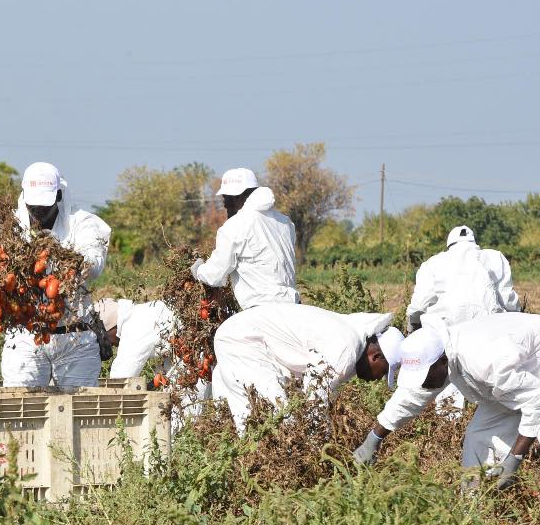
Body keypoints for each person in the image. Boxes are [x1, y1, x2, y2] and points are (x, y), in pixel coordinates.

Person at [354, 314, 540, 525]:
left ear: (441, 362)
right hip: (516, 370)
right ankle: (471, 514)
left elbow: (537, 400)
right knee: (477, 435)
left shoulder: (484, 362)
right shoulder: (438, 353)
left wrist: (514, 459)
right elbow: (412, 397)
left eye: (425, 377)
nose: (425, 384)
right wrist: (373, 438)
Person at [0, 162, 111, 387]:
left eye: (44, 206)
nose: (38, 211)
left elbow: (94, 264)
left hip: (75, 337)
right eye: (33, 205)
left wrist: (65, 258)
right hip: (26, 338)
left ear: (58, 196)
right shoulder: (5, 229)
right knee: (22, 411)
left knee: (81, 412)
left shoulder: (81, 224)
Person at [211, 304, 403, 432]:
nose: (378, 379)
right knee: (278, 417)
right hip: (242, 340)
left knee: (254, 424)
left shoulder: (353, 343)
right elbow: (315, 403)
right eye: (384, 371)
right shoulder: (346, 349)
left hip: (251, 341)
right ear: (376, 356)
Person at [404, 225, 521, 413]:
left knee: (449, 385)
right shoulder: (495, 258)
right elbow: (508, 299)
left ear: (449, 245)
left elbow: (418, 305)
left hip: (446, 333)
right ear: (474, 242)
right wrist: (518, 319)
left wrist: (412, 327)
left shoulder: (433, 263)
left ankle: (449, 430)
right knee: (488, 383)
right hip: (487, 330)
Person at [191, 168, 299, 310]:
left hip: (261, 309)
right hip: (293, 305)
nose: (224, 204)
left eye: (226, 197)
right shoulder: (285, 222)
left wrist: (199, 270)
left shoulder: (235, 225)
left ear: (237, 196)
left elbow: (216, 275)